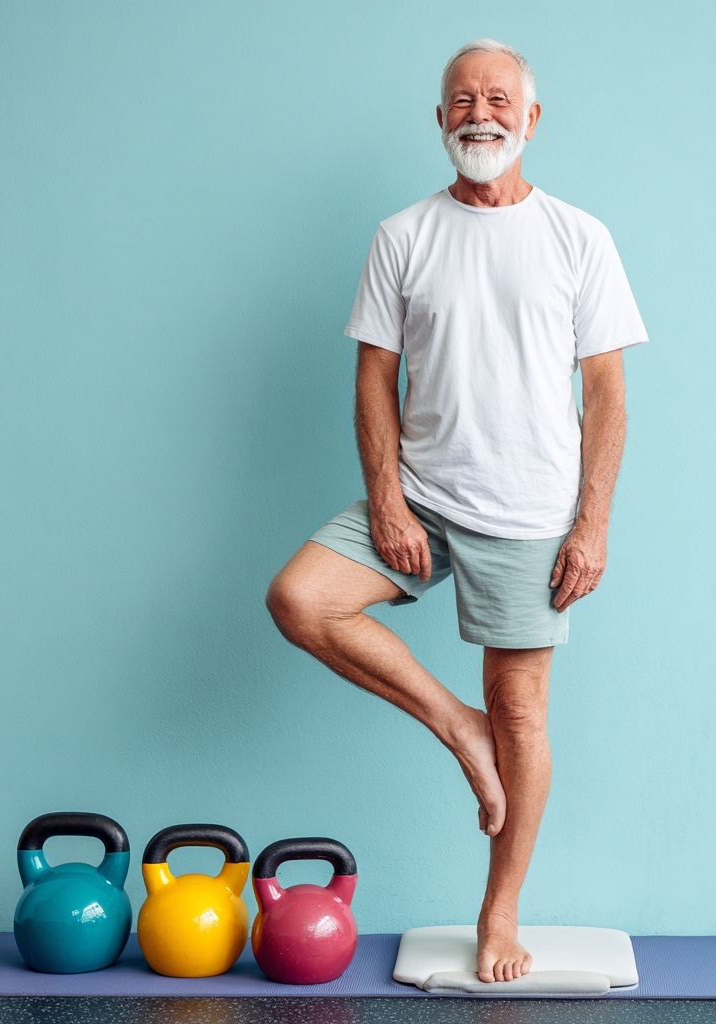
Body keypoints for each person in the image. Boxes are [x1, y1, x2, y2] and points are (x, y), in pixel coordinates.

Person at [266, 38, 648, 984]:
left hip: (530, 515)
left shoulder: (578, 237)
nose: (480, 113)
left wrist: (591, 524)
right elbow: (373, 384)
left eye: (498, 98)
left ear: (531, 118)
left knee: (521, 714)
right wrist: (389, 500)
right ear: (440, 120)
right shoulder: (403, 236)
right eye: (461, 100)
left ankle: (499, 911)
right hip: (425, 500)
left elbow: (606, 395)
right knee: (301, 599)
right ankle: (455, 727)